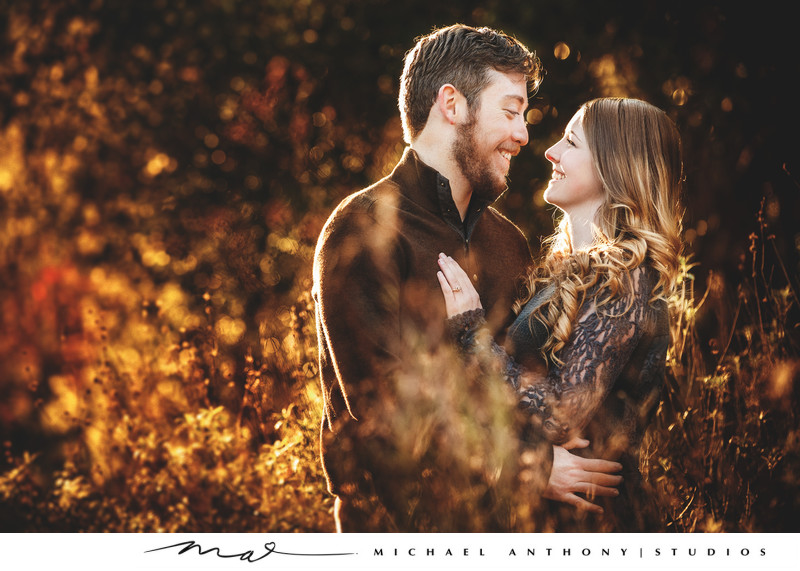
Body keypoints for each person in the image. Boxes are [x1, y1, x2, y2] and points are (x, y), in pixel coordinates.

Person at [312, 25, 622, 532]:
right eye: (509, 110)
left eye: (523, 115)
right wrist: (531, 467)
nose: (523, 134)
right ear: (451, 105)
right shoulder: (363, 230)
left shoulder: (509, 243)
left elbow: (530, 391)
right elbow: (387, 420)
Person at [438, 97, 684, 531]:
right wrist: (530, 465)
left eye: (571, 141)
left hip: (597, 526)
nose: (551, 151)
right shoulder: (568, 276)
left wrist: (469, 332)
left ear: (616, 165)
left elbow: (559, 417)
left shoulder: (626, 282)